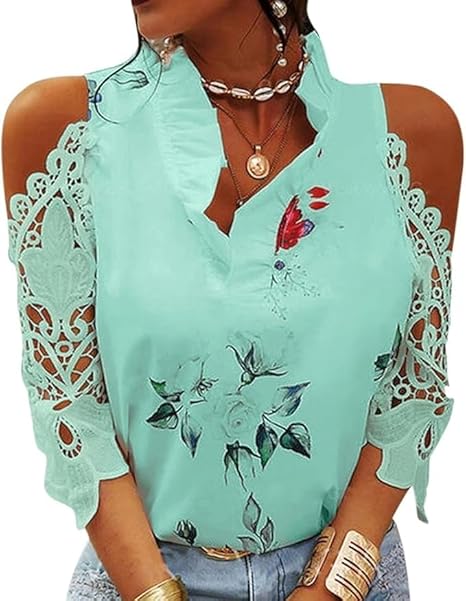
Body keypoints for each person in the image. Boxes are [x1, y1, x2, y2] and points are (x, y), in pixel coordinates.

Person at [2, 1, 462, 600]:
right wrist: (156, 593)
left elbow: (412, 389)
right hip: (139, 579)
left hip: (349, 577)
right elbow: (69, 403)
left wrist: (329, 589)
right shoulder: (69, 130)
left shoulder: (408, 135)